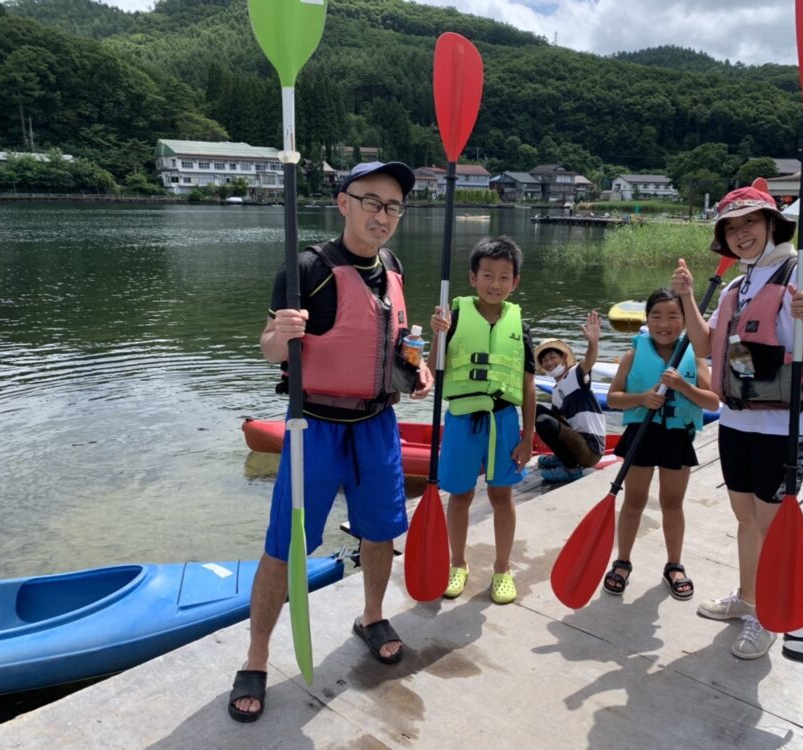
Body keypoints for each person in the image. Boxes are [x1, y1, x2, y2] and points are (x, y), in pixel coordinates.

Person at [228, 161, 434, 723]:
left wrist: (417, 371)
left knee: (380, 532)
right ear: (344, 202)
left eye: (392, 206)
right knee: (285, 546)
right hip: (311, 427)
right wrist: (278, 336)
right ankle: (256, 656)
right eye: (371, 201)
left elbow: (396, 343)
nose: (382, 215)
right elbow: (271, 348)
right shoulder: (307, 269)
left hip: (377, 424)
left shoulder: (393, 266)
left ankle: (370, 616)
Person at [671, 186, 803, 660]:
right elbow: (706, 348)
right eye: (731, 227)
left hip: (785, 427)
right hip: (737, 421)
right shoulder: (735, 286)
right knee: (746, 519)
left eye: (749, 223)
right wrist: (686, 298)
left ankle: (767, 617)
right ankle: (747, 598)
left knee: (769, 523)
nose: (740, 234)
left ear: (770, 224)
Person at [428, 236, 536, 605]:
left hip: (504, 422)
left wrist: (528, 437)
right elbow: (431, 372)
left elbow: (528, 385)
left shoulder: (520, 325)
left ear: (515, 282)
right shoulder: (453, 316)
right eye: (487, 275)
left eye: (504, 277)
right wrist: (436, 337)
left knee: (501, 496)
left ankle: (503, 569)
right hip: (461, 419)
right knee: (459, 495)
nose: (495, 284)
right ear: (472, 278)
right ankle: (457, 564)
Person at [602, 289, 720, 599]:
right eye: (656, 316)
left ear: (684, 322)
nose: (664, 324)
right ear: (646, 320)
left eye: (672, 317)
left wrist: (682, 385)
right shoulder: (633, 353)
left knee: (672, 504)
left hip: (676, 435)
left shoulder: (694, 355)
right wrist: (642, 398)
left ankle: (674, 565)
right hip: (642, 434)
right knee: (634, 501)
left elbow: (712, 400)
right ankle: (622, 561)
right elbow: (614, 398)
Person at [533, 311, 607, 483]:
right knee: (536, 410)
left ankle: (571, 469)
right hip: (576, 442)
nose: (549, 363)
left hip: (591, 449)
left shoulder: (575, 375)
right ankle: (561, 458)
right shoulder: (556, 390)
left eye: (553, 358)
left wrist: (593, 342)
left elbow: (589, 361)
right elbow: (558, 426)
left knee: (544, 422)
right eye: (545, 361)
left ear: (564, 358)